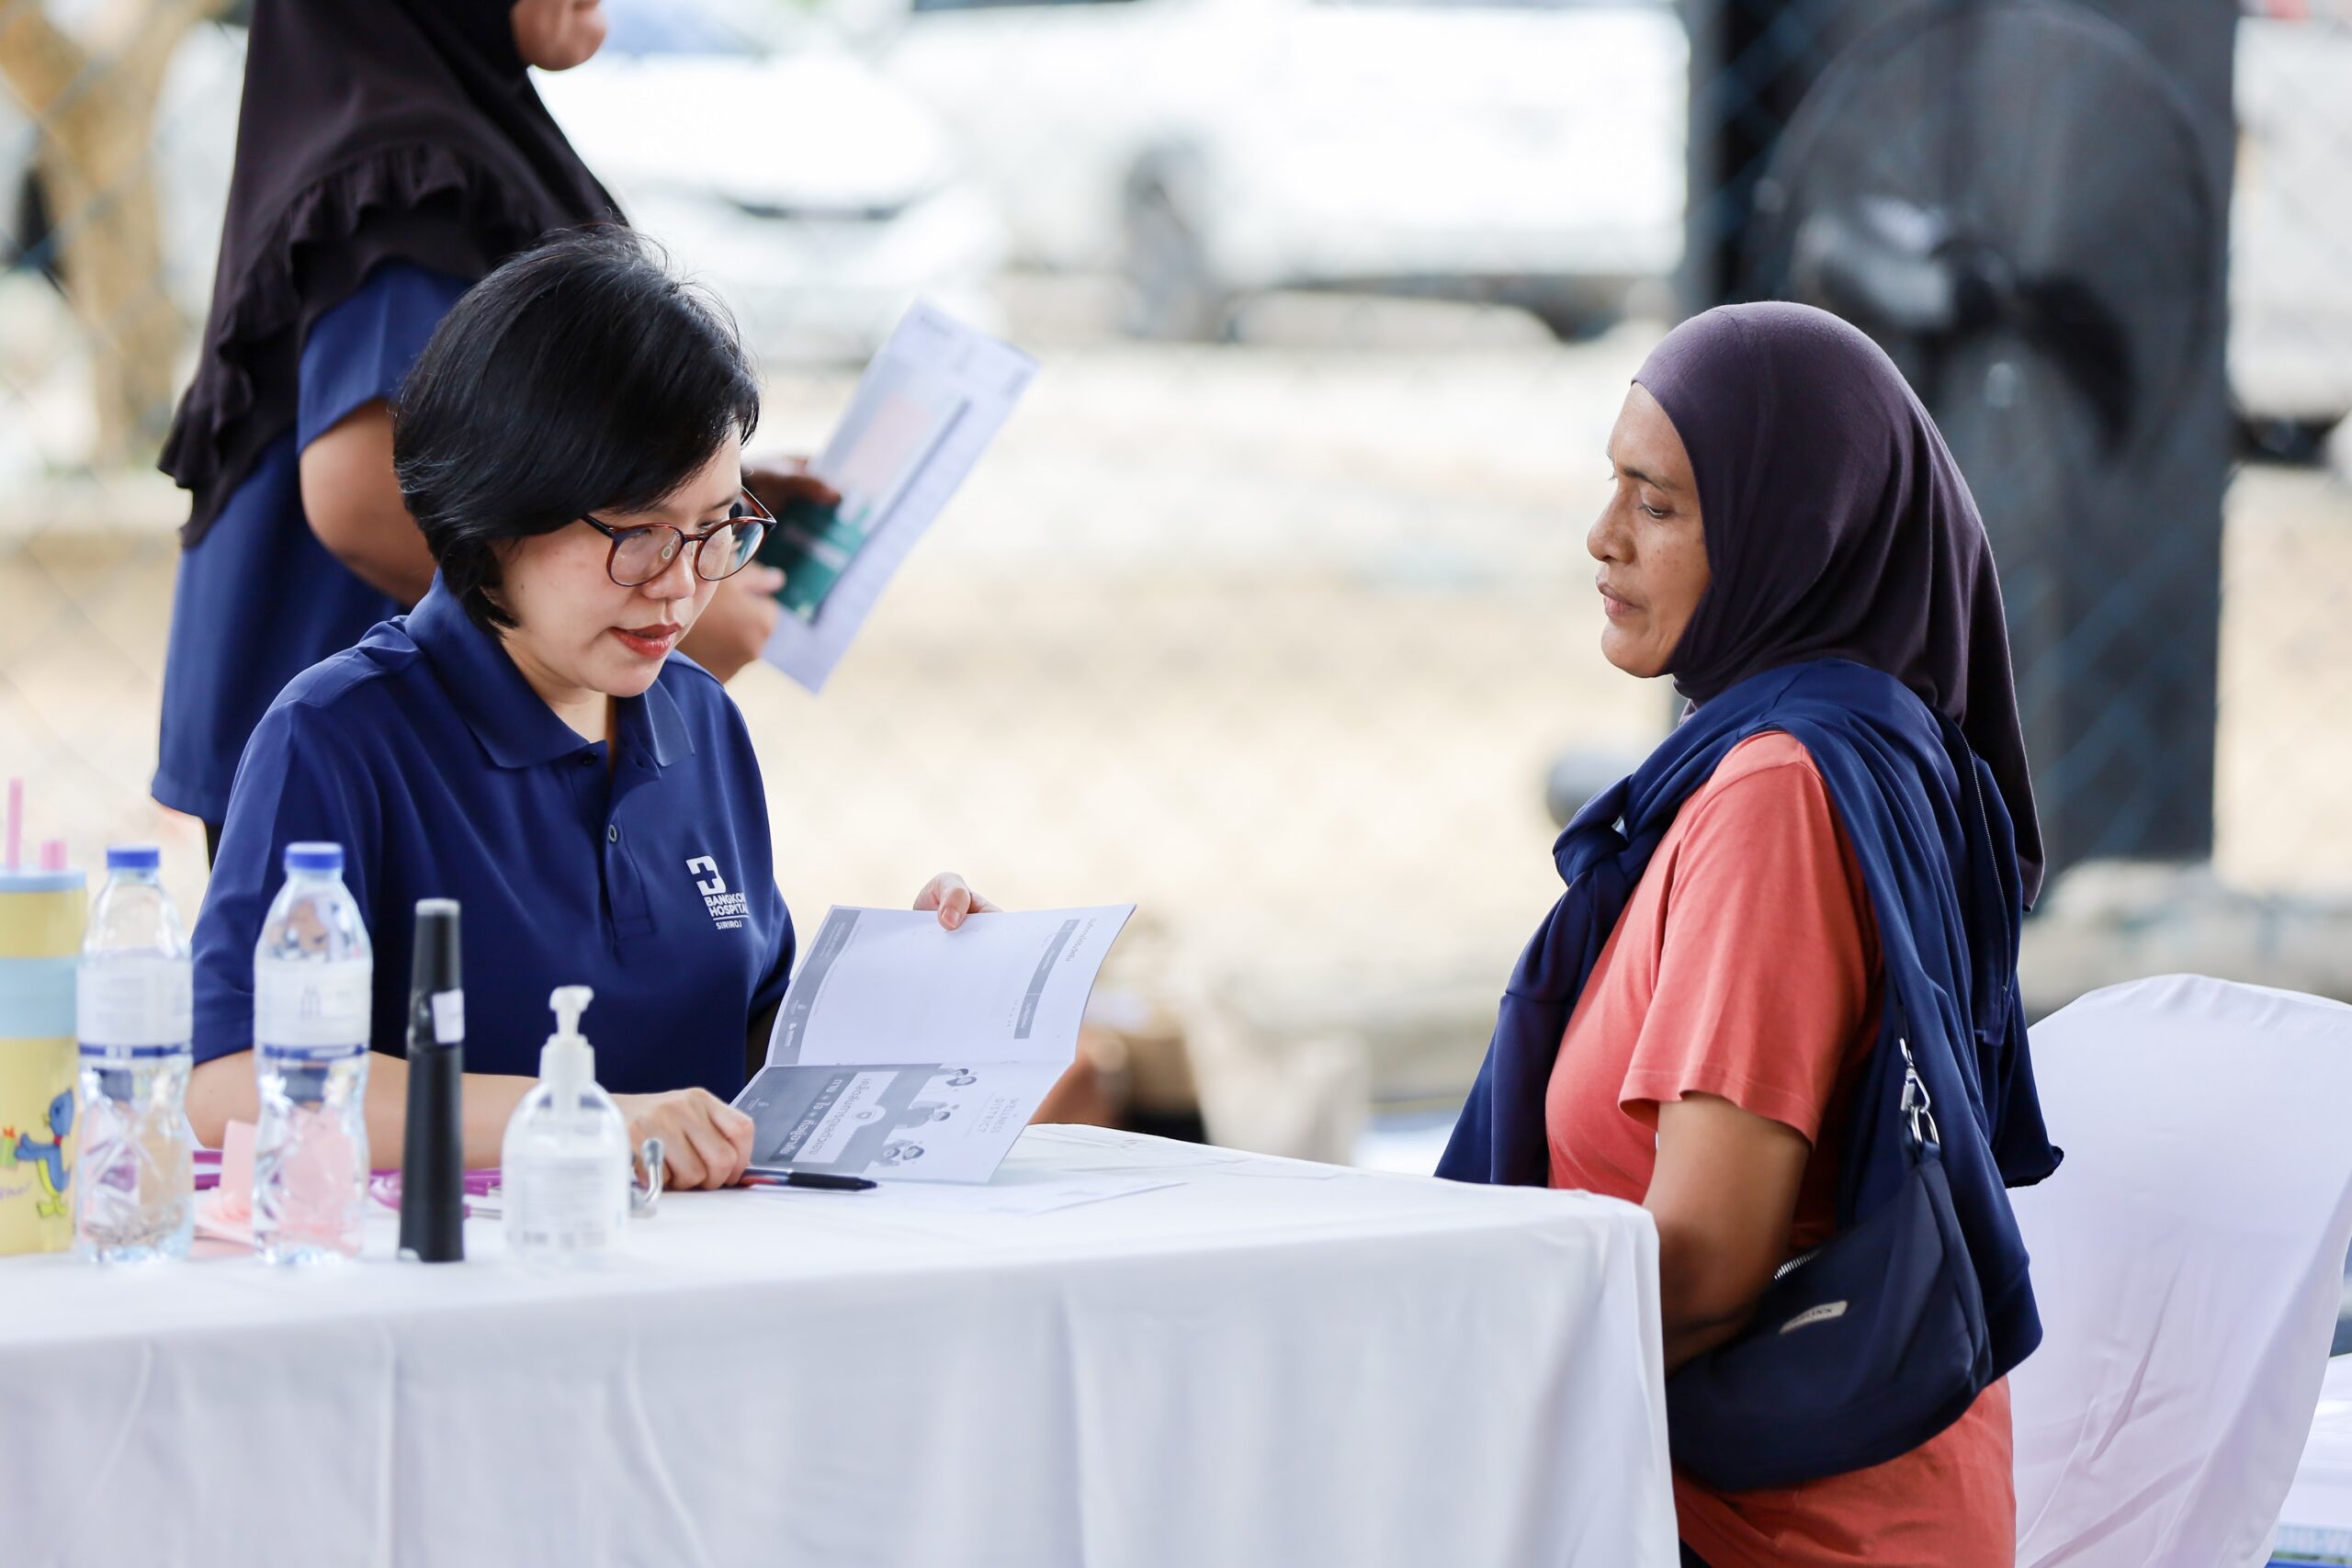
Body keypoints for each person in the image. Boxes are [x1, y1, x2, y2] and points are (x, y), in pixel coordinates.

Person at [1438, 303, 2060, 1566]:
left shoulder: (1777, 796)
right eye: (1614, 483)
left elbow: (1709, 1262)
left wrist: (1435, 1384)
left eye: (1659, 504)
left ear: (1795, 536)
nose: (1603, 535)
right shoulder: (1855, 747)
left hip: (1759, 1526)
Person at [186, 229, 991, 1190]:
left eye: (716, 528)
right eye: (639, 533)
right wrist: (580, 1119)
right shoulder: (340, 736)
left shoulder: (698, 721)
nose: (681, 584)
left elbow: (745, 1041)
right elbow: (232, 1084)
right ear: (494, 512)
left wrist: (914, 991)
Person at [154, 0, 818, 856]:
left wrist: (679, 492)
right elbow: (361, 495)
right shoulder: (407, 172)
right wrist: (660, 602)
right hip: (384, 791)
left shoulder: (426, 115)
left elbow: (513, 434)